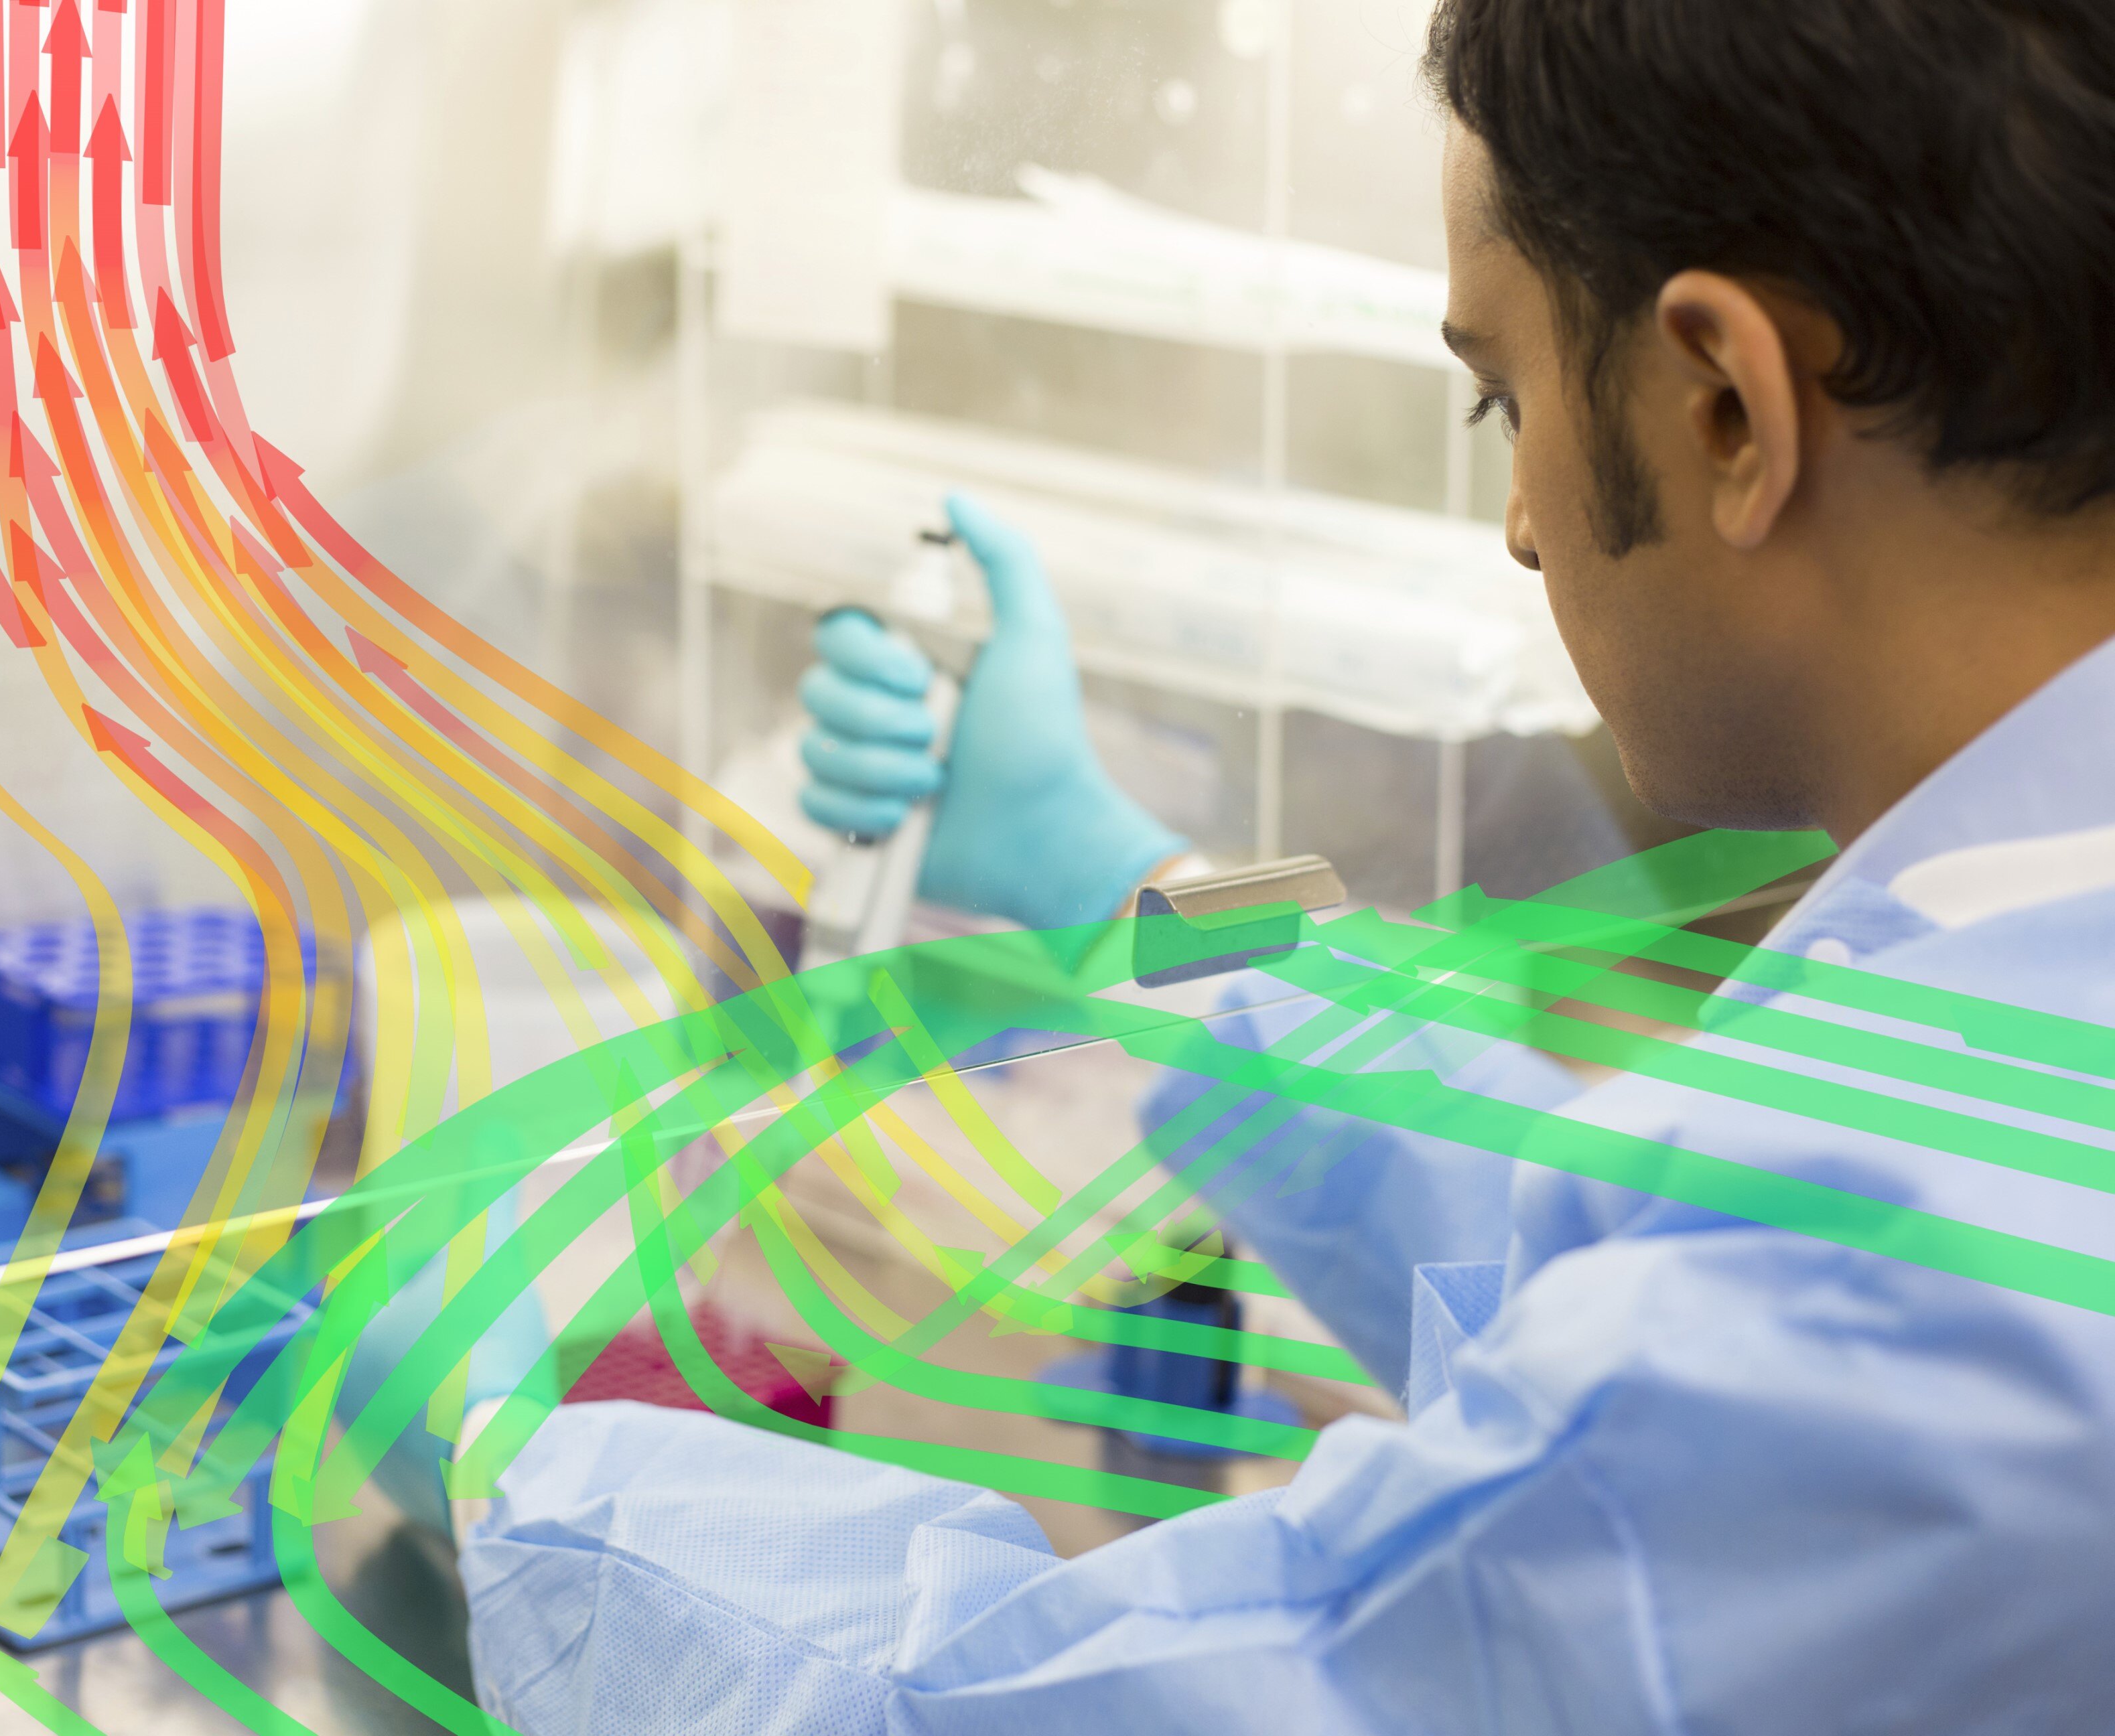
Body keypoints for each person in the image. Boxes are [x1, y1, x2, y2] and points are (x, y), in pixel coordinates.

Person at [456, 3, 2115, 1729]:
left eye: (1502, 396)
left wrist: (535, 1500)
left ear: (1724, 408)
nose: (1524, 524)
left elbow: (1054, 1706)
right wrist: (1127, 878)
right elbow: (1594, 1224)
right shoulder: (2023, 940)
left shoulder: (1909, 1320)